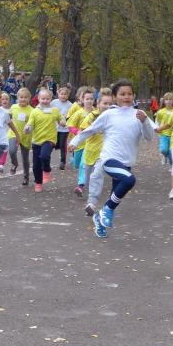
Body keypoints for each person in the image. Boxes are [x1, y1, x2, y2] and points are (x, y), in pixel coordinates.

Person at [68, 79, 155, 238]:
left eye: (129, 94)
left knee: (114, 198)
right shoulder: (109, 114)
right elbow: (91, 130)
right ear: (115, 97)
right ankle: (106, 210)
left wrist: (144, 122)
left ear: (134, 96)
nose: (126, 97)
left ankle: (99, 219)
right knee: (129, 180)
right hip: (109, 159)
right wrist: (75, 141)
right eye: (122, 94)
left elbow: (149, 137)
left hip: (126, 162)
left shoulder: (140, 115)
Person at [25, 88, 65, 192]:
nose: (45, 101)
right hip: (37, 140)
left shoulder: (55, 110)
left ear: (51, 99)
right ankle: (38, 183)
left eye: (47, 99)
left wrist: (62, 122)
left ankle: (47, 170)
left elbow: (61, 119)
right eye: (43, 98)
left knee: (44, 155)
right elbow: (30, 123)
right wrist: (27, 128)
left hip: (50, 139)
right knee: (36, 165)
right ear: (38, 98)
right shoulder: (35, 112)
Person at [82, 91, 113, 217]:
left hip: (104, 153)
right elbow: (83, 129)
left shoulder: (113, 117)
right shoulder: (92, 116)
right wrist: (94, 130)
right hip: (90, 151)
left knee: (97, 175)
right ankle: (91, 197)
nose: (107, 106)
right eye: (105, 103)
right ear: (98, 103)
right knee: (88, 178)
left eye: (110, 104)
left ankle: (91, 203)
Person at [69, 90, 95, 196]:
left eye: (91, 99)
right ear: (82, 100)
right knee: (77, 163)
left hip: (91, 144)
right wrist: (77, 132)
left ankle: (81, 185)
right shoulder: (79, 113)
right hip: (79, 144)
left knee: (83, 164)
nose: (89, 101)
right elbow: (70, 125)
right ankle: (73, 160)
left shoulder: (96, 113)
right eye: (87, 99)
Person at [8, 87, 34, 186]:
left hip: (26, 136)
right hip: (13, 134)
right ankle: (14, 163)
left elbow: (33, 124)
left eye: (25, 97)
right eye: (21, 97)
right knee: (12, 150)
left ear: (29, 98)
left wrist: (29, 129)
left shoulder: (32, 110)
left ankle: (26, 177)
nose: (23, 99)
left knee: (25, 157)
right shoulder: (13, 107)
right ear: (17, 97)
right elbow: (8, 118)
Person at [51, 86, 72, 170]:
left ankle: (63, 161)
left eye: (65, 94)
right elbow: (48, 108)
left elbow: (72, 115)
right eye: (61, 94)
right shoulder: (54, 102)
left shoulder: (70, 105)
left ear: (68, 95)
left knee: (63, 145)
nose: (63, 96)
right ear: (58, 94)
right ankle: (46, 158)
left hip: (64, 129)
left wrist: (67, 117)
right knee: (53, 143)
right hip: (54, 127)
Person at [155, 93, 173, 166]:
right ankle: (165, 155)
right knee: (164, 150)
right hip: (163, 134)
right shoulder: (160, 112)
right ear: (164, 101)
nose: (168, 101)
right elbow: (157, 121)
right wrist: (158, 128)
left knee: (171, 152)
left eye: (170, 99)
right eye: (166, 99)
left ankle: (172, 165)